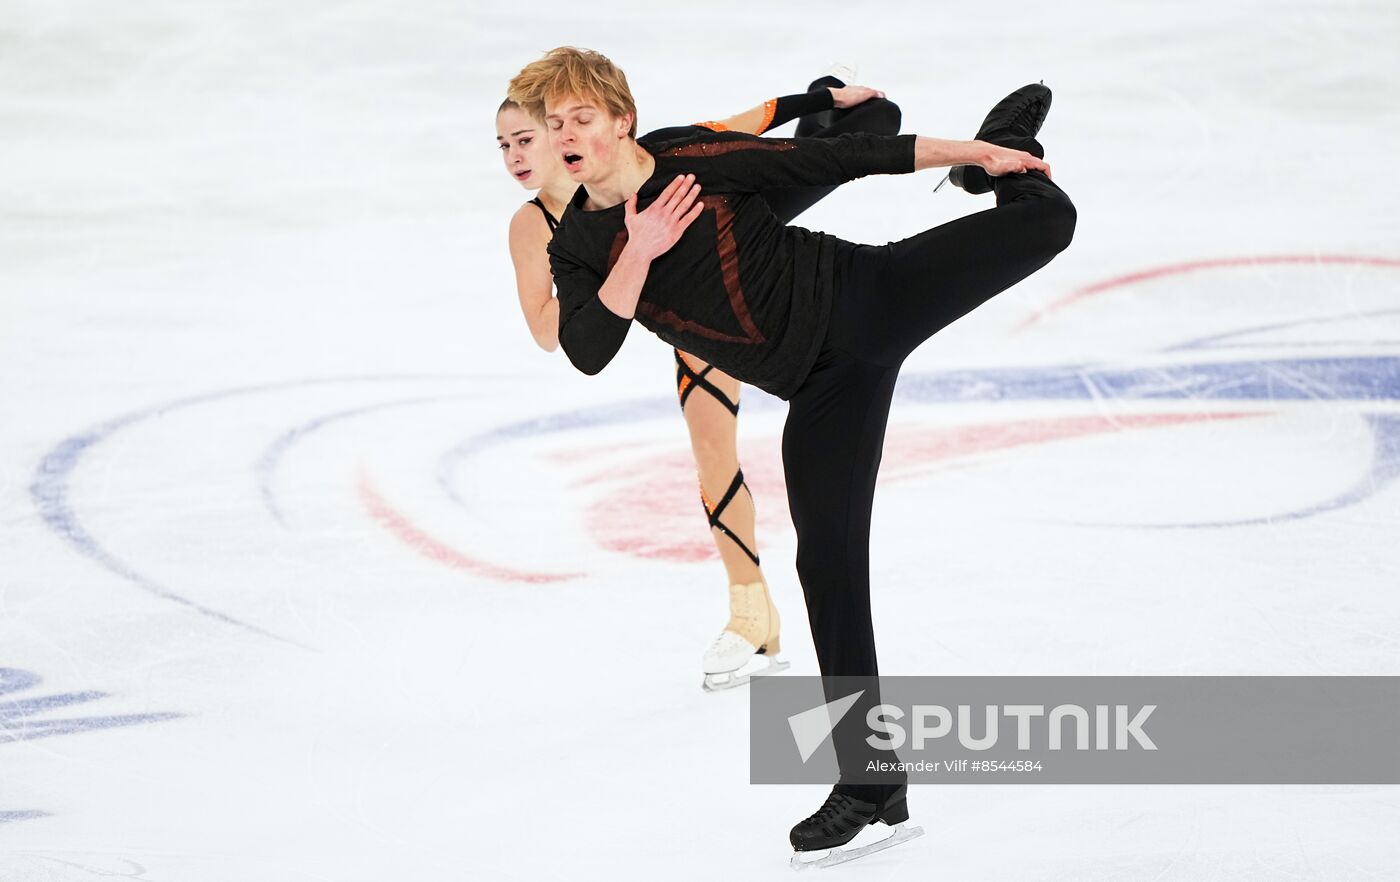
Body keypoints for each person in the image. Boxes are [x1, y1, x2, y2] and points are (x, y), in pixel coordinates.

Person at [508, 46, 1075, 864]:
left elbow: (836, 154)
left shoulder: (687, 156)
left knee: (1049, 221)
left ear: (620, 119)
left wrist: (971, 153)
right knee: (828, 563)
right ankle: (871, 782)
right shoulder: (580, 244)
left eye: (579, 118)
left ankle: (1005, 157)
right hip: (820, 389)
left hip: (867, 297)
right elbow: (588, 349)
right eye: (552, 123)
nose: (564, 135)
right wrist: (641, 245)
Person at [495, 72, 902, 691]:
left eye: (528, 137)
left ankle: (859, 120)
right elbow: (551, 332)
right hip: (694, 320)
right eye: (504, 146)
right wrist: (620, 271)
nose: (516, 156)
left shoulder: (650, 159)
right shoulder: (534, 225)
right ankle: (752, 608)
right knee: (713, 455)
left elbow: (743, 123)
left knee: (873, 124)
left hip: (743, 227)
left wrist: (821, 101)